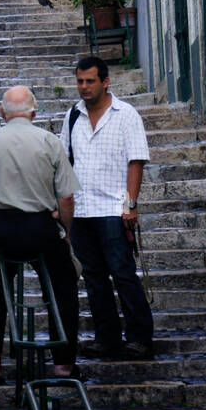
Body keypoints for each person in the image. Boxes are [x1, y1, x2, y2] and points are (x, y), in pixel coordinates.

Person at [0, 85, 81, 384]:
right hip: (40, 227)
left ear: (2, 113)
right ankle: (64, 365)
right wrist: (65, 232)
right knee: (62, 289)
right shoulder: (49, 141)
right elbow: (66, 198)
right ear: (35, 112)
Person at [59, 56, 154, 360]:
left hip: (114, 208)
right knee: (94, 277)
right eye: (80, 81)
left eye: (90, 81)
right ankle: (106, 338)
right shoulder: (72, 115)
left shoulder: (125, 114)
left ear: (105, 82)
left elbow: (136, 160)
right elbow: (64, 160)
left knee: (123, 273)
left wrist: (131, 205)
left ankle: (139, 337)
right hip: (82, 209)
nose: (84, 87)